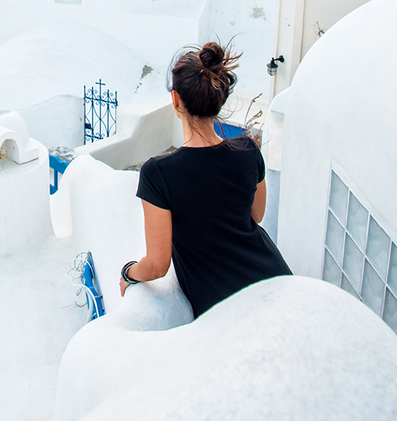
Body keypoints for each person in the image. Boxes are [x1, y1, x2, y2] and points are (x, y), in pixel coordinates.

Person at [119, 42, 290, 316]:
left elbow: (157, 265)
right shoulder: (248, 150)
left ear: (176, 100)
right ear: (218, 99)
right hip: (278, 284)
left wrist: (128, 273)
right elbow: (256, 216)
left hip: (227, 310)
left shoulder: (158, 173)